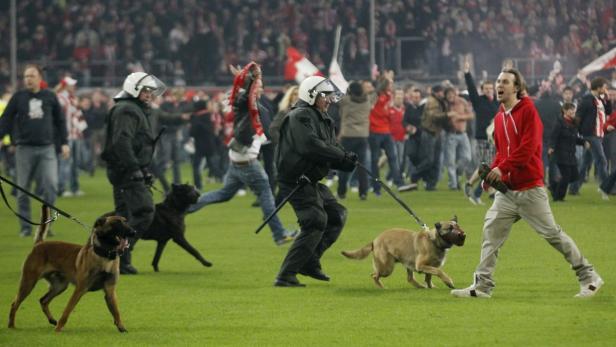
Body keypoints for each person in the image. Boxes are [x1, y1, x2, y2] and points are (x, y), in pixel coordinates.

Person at [451, 68, 603, 299]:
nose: (499, 85)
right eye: (498, 81)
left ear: (517, 88)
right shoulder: (500, 117)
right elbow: (501, 153)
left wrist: (502, 168)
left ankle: (589, 277)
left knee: (553, 235)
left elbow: (529, 148)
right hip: (507, 192)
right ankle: (482, 286)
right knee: (490, 234)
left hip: (530, 189)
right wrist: (491, 175)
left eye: (505, 82)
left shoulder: (528, 110)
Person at [187, 63, 297, 246]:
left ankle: (183, 207)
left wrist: (246, 78)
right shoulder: (254, 107)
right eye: (259, 86)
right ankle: (279, 234)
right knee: (266, 193)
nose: (261, 88)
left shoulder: (244, 104)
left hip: (236, 158)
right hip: (247, 161)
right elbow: (269, 134)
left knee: (224, 194)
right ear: (252, 89)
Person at [274, 76, 358, 287]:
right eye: (325, 96)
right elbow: (310, 146)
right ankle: (286, 275)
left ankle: (310, 262)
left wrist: (347, 160)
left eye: (330, 96)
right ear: (311, 95)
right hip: (296, 180)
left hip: (310, 179)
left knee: (337, 215)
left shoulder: (322, 117)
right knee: (315, 221)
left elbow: (329, 148)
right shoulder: (300, 116)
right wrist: (340, 156)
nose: (329, 101)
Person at [101, 71, 166, 274]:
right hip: (126, 170)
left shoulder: (130, 108)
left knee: (124, 215)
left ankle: (114, 255)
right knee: (144, 211)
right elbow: (122, 142)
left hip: (125, 169)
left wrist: (141, 168)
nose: (149, 95)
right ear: (134, 88)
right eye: (146, 90)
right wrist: (135, 168)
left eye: (151, 91)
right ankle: (121, 254)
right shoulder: (128, 110)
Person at [0, 64, 70, 237]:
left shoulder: (50, 96)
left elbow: (60, 121)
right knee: (22, 189)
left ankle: (46, 225)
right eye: (25, 77)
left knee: (51, 187)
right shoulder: (19, 97)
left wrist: (65, 143)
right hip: (24, 149)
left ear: (40, 78)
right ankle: (25, 227)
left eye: (31, 76)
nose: (27, 79)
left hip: (47, 148)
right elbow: (6, 118)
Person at [462, 60, 499, 204]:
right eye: (487, 88)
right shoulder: (479, 101)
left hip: (495, 139)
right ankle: (477, 192)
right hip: (483, 138)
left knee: (488, 166)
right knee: (488, 167)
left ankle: (474, 187)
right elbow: (471, 88)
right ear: (483, 89)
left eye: (491, 88)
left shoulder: (497, 103)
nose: (489, 90)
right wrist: (467, 73)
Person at [336, 81, 373, 200]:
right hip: (362, 137)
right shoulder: (367, 100)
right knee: (361, 166)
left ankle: (341, 192)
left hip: (347, 136)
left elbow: (337, 100)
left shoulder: (346, 100)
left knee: (344, 165)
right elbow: (376, 92)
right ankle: (363, 193)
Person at [574, 77, 612, 191]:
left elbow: (608, 111)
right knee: (602, 160)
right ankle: (607, 187)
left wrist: (608, 99)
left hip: (599, 135)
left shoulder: (599, 99)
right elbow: (578, 117)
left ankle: (574, 188)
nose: (606, 90)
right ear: (599, 87)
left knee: (585, 164)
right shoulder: (586, 100)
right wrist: (579, 134)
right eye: (604, 87)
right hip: (591, 135)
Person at [547, 103, 587, 201]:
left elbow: (574, 138)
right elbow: (553, 136)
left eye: (574, 110)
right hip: (560, 153)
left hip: (570, 154)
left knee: (574, 176)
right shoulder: (559, 122)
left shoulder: (573, 123)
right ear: (564, 111)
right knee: (566, 176)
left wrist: (583, 142)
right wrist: (551, 147)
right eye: (571, 110)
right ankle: (558, 197)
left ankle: (553, 186)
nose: (573, 112)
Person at [56, 76, 87, 197]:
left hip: (76, 135)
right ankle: (61, 188)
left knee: (75, 163)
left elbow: (78, 115)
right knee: (65, 162)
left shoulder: (73, 98)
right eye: (71, 85)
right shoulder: (60, 98)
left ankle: (75, 188)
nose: (74, 87)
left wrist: (82, 128)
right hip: (66, 136)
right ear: (65, 86)